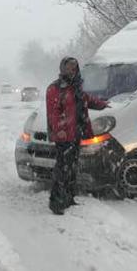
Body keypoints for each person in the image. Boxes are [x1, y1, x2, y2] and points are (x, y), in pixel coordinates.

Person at [46, 57, 109, 215]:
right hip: (63, 136)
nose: (71, 70)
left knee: (72, 168)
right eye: (68, 68)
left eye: (74, 68)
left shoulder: (76, 87)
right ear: (62, 69)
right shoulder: (55, 88)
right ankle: (57, 203)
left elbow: (87, 100)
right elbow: (53, 113)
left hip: (76, 133)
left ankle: (69, 198)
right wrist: (59, 128)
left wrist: (102, 104)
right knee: (62, 169)